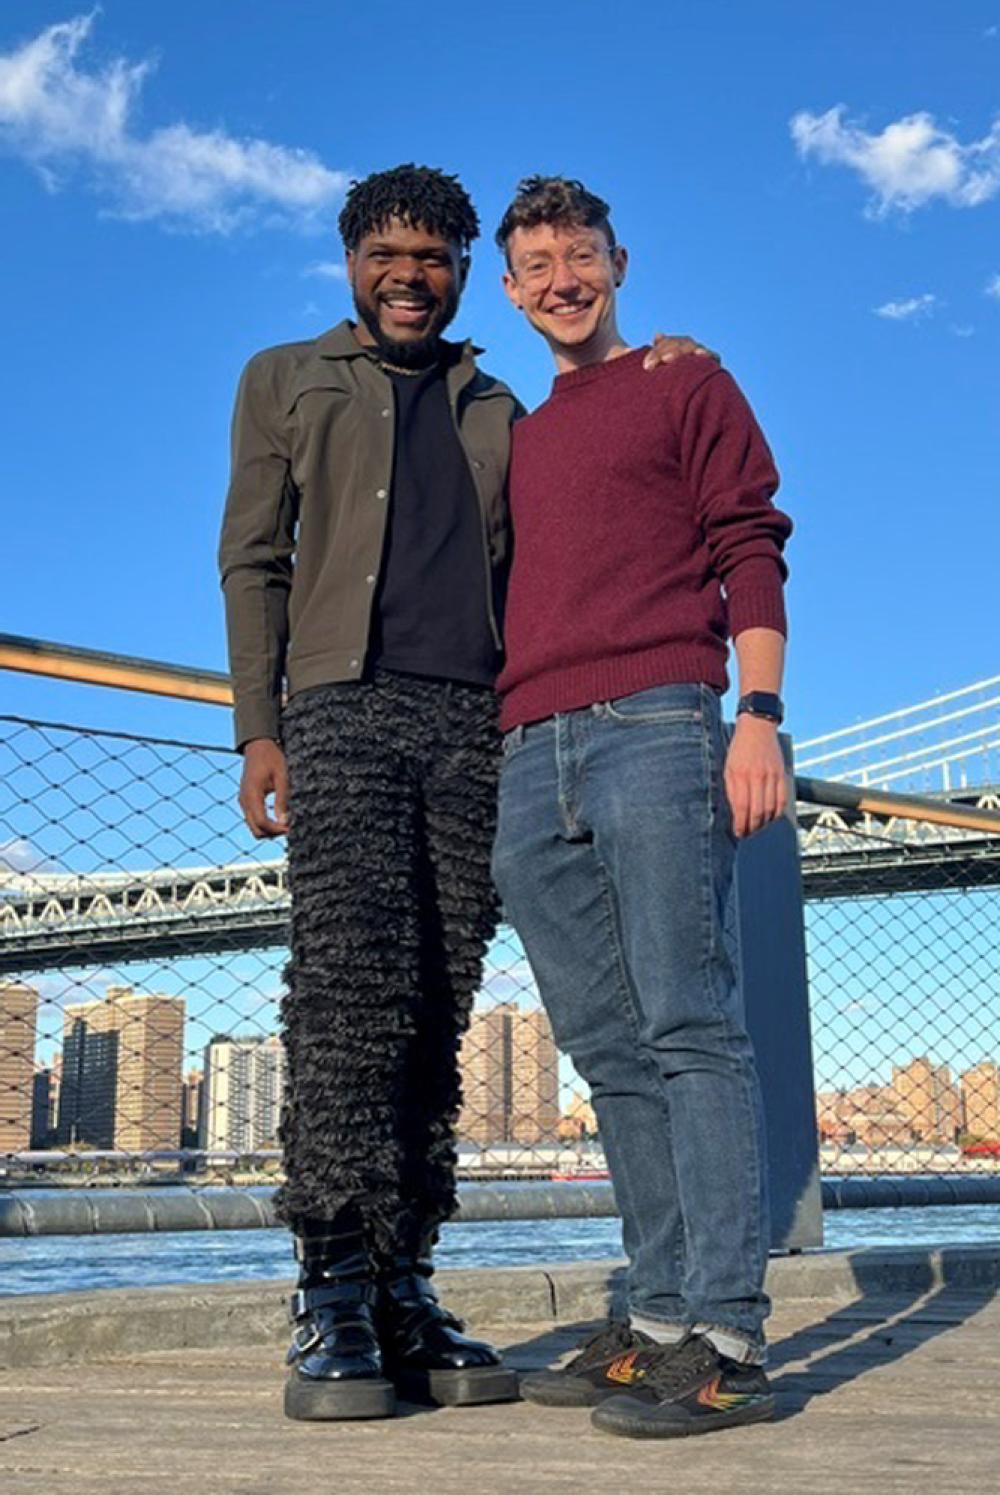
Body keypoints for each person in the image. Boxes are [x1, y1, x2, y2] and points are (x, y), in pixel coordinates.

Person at [218, 163, 707, 1422]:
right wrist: (258, 731)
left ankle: (404, 1281)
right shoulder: (284, 378)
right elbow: (252, 562)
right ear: (350, 261)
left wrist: (663, 363)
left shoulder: (499, 405)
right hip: (337, 711)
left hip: (471, 724)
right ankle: (328, 1286)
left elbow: (598, 443)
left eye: (432, 257)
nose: (408, 276)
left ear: (459, 272)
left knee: (437, 1003)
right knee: (344, 992)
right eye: (387, 252)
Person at [490, 176, 793, 1440]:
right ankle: (659, 1313)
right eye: (535, 264)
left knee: (688, 1023)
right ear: (508, 290)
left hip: (658, 723)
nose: (560, 278)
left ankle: (724, 1333)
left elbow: (750, 542)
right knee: (607, 1049)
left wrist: (757, 718)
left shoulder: (687, 383)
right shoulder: (510, 432)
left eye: (580, 255)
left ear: (618, 262)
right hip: (522, 747)